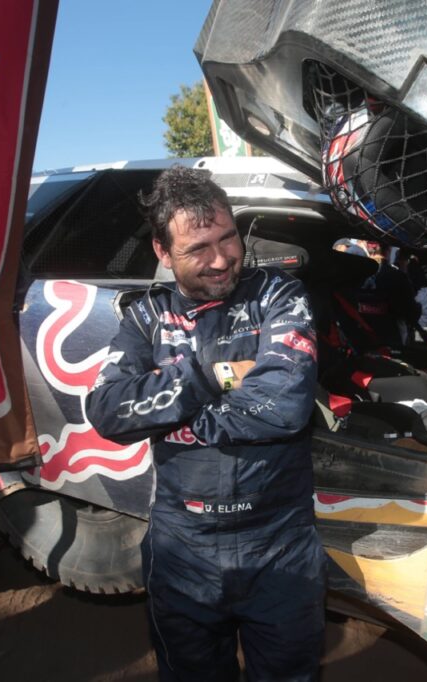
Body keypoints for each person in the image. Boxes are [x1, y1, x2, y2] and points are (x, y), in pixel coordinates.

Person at [85, 166, 325, 681]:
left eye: (228, 238)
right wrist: (213, 375)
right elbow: (107, 411)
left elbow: (285, 403)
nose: (220, 259)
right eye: (198, 249)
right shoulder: (146, 317)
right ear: (163, 253)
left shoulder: (279, 296)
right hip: (181, 546)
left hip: (278, 542)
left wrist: (172, 411)